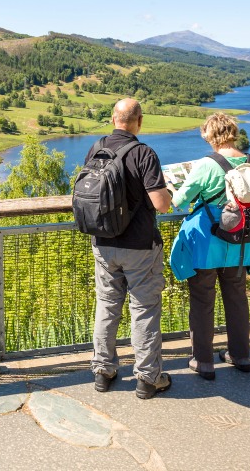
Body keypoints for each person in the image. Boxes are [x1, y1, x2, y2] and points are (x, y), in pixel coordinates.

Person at [87, 98, 173, 399]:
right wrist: (169, 192)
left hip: (103, 242)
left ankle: (103, 371)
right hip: (139, 245)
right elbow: (161, 204)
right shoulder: (144, 153)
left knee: (107, 304)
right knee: (144, 309)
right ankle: (148, 379)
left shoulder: (96, 148)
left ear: (113, 119)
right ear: (139, 121)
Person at [167, 112, 250, 380]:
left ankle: (203, 361)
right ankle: (241, 356)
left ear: (210, 136)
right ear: (233, 132)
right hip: (241, 243)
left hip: (207, 243)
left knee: (202, 301)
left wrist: (172, 188)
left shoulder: (207, 164)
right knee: (237, 299)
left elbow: (179, 201)